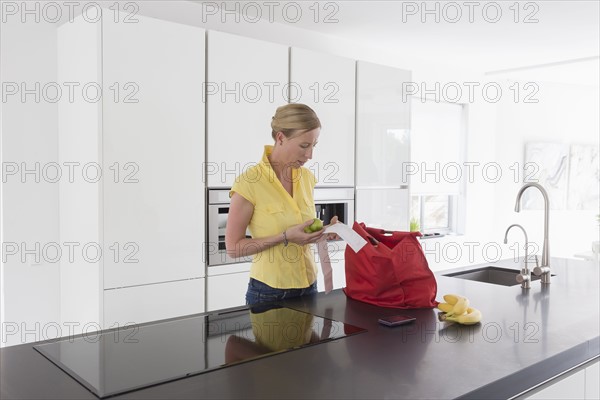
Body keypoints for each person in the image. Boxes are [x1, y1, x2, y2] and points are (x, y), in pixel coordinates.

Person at [225, 103, 336, 305]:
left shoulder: (307, 178)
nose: (310, 155)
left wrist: (325, 231)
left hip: (310, 285)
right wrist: (284, 237)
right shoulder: (249, 183)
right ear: (281, 137)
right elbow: (233, 248)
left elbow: (302, 227)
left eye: (314, 145)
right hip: (269, 293)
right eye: (304, 146)